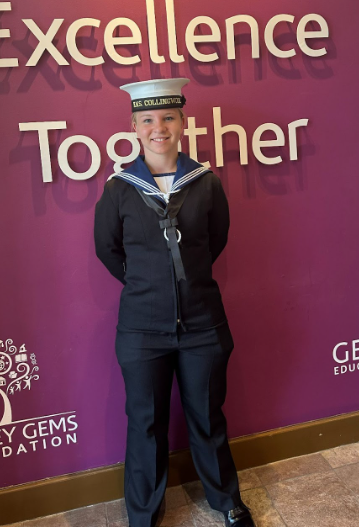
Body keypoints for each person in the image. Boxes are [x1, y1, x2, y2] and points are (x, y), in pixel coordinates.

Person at [94, 78, 255, 527]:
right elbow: (108, 249)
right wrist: (151, 285)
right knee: (145, 424)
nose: (158, 128)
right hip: (142, 330)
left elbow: (215, 240)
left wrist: (184, 285)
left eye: (167, 117)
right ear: (133, 126)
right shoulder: (118, 188)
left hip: (203, 324)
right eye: (147, 119)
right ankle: (144, 513)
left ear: (182, 123)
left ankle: (227, 502)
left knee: (207, 418)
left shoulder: (205, 184)